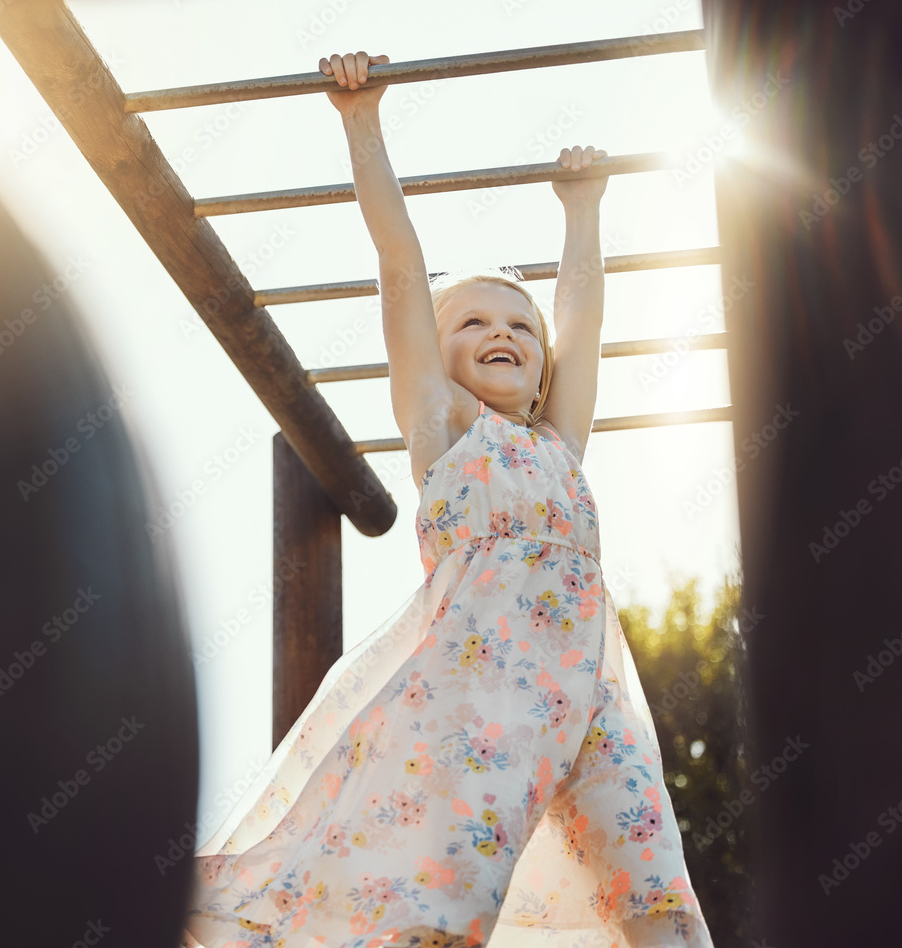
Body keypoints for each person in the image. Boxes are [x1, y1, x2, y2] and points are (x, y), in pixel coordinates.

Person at [182, 51, 714, 948]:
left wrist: (582, 212)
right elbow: (400, 263)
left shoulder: (558, 440)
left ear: (543, 369)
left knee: (652, 878)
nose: (502, 333)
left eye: (519, 327)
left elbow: (580, 310)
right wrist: (362, 124)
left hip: (590, 696)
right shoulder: (443, 425)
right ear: (437, 353)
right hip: (481, 697)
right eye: (472, 321)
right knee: (449, 894)